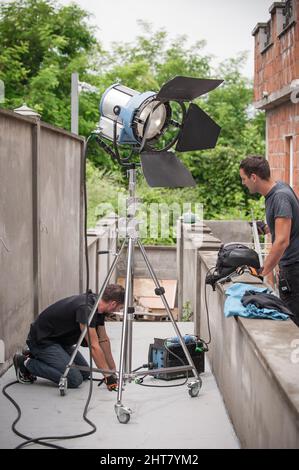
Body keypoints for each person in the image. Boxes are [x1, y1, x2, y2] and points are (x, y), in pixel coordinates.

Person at [13, 284, 125, 389]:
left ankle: (37, 355)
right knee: (74, 379)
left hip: (60, 341)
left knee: (85, 373)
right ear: (113, 304)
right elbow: (94, 346)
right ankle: (26, 363)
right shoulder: (86, 309)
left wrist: (112, 370)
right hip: (43, 341)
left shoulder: (99, 307)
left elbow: (103, 340)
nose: (118, 311)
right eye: (119, 308)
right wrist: (108, 377)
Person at [239, 155, 299, 326]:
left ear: (254, 177)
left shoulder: (280, 197)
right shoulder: (278, 190)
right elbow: (288, 226)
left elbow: (282, 241)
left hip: (295, 270)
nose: (243, 183)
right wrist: (266, 228)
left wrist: (261, 271)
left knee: (293, 324)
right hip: (291, 267)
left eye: (244, 178)